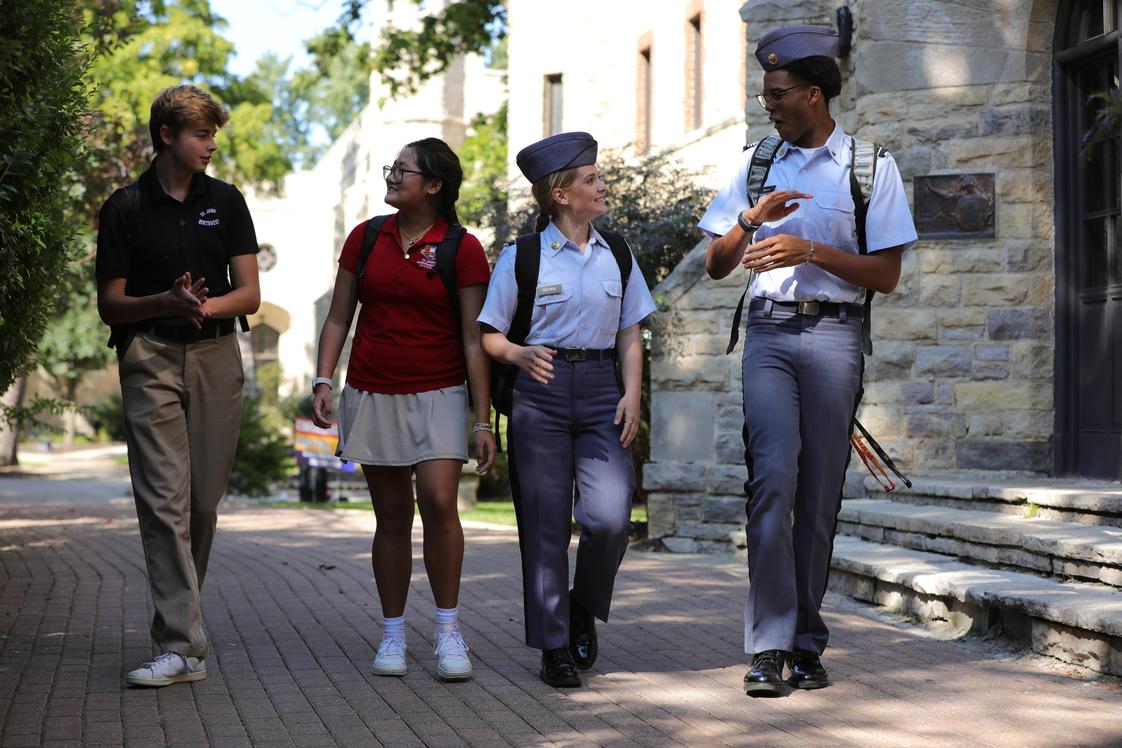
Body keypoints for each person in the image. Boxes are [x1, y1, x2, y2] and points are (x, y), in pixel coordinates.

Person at [699, 26, 918, 697]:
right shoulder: (756, 164)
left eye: (778, 93)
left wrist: (809, 251)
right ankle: (767, 648)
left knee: (819, 495)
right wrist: (748, 221)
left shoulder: (870, 167)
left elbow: (885, 274)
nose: (768, 103)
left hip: (834, 339)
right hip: (766, 337)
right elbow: (714, 267)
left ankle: (806, 640)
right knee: (772, 484)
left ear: (814, 95)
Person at [311, 138, 495, 682]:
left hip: (440, 391)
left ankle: (447, 631)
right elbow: (339, 318)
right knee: (391, 518)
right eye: (392, 168)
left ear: (433, 186)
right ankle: (392, 634)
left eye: (402, 170)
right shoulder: (366, 237)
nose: (391, 176)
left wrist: (482, 420)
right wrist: (325, 378)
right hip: (371, 391)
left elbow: (472, 339)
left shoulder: (462, 247)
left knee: (440, 503)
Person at [95, 84, 261, 687]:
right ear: (167, 137)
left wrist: (203, 304)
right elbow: (111, 305)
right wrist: (163, 301)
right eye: (201, 135)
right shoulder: (124, 208)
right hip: (151, 356)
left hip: (217, 356)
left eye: (214, 135)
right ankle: (181, 643)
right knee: (164, 503)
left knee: (202, 505)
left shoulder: (228, 201)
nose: (210, 145)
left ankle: (180, 635)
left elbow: (250, 295)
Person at [478, 132, 656, 688]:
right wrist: (519, 353)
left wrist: (632, 393)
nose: (602, 186)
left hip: (603, 389)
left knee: (610, 518)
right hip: (542, 392)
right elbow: (489, 335)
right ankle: (552, 645)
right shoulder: (522, 257)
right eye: (592, 179)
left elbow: (631, 331)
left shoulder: (618, 253)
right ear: (560, 194)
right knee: (545, 525)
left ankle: (581, 605)